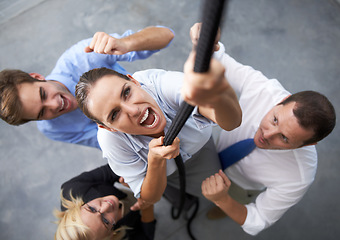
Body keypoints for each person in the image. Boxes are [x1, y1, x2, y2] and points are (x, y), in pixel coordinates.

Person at [188, 23, 336, 235]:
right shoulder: (266, 90)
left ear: (308, 144)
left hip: (238, 186)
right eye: (274, 120)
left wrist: (223, 200)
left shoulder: (299, 175)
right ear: (282, 100)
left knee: (226, 201)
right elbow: (220, 61)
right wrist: (206, 41)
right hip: (209, 150)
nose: (266, 135)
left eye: (284, 138)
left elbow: (259, 219)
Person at [74, 37, 242, 208]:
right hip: (167, 175)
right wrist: (155, 161)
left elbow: (231, 123)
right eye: (115, 114)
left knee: (217, 185)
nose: (133, 110)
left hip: (202, 150)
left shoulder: (162, 84)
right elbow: (150, 198)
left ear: (134, 81)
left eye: (126, 92)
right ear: (107, 128)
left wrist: (219, 92)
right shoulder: (110, 141)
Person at [0, 26, 174, 149]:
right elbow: (112, 146)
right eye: (42, 113)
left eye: (43, 94)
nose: (54, 105)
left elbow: (166, 35)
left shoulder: (83, 56)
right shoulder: (52, 129)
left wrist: (126, 43)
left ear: (37, 77)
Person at [54, 164, 156, 240]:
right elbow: (146, 236)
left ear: (77, 206)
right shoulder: (121, 236)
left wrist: (132, 180)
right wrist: (147, 206)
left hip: (128, 193)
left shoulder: (73, 189)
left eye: (92, 209)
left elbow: (112, 169)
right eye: (106, 221)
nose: (107, 205)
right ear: (110, 235)